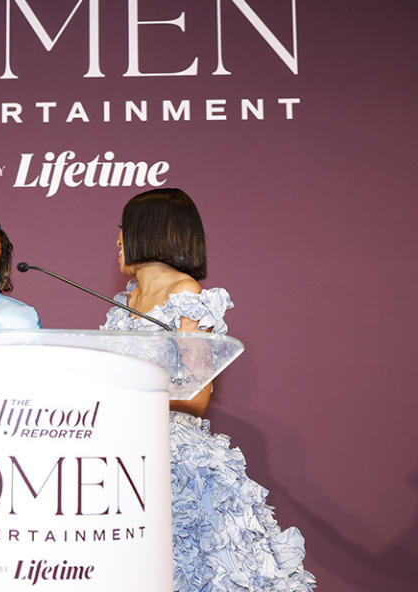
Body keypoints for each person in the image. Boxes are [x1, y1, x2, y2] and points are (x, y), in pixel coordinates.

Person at [102, 188, 315, 591]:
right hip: (123, 450)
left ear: (150, 230)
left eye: (123, 227)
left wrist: (130, 390)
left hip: (173, 457)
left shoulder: (186, 293)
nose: (117, 238)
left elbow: (197, 395)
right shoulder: (125, 300)